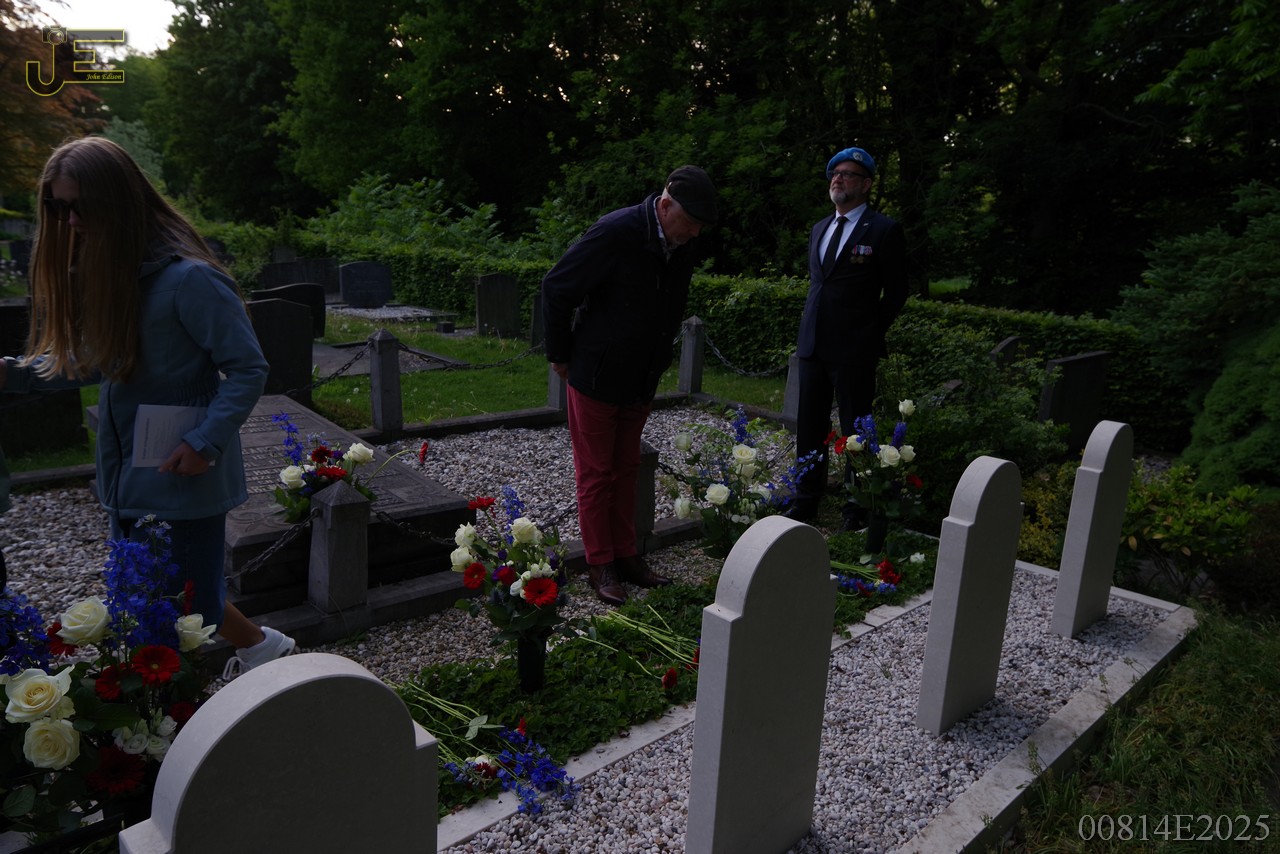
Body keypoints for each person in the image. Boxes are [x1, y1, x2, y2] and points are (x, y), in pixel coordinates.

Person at [0, 136, 294, 675]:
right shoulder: (121, 275)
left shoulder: (190, 280)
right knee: (161, 597)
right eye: (59, 209)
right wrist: (13, 373)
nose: (71, 223)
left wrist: (204, 442)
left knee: (179, 613)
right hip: (130, 478)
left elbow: (248, 368)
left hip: (183, 477)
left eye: (80, 207)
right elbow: (100, 362)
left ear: (116, 200)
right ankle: (261, 649)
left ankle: (188, 702)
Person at [541, 166, 718, 606]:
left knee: (626, 470)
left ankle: (626, 556)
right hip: (597, 373)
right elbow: (557, 287)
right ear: (665, 206)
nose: (695, 233)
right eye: (690, 222)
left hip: (640, 377)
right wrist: (560, 354)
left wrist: (657, 364)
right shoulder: (616, 232)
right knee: (596, 474)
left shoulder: (682, 242)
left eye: (700, 225)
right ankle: (600, 564)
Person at [789, 146, 908, 527]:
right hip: (813, 345)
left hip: (854, 349)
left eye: (848, 174)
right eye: (835, 173)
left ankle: (856, 507)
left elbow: (897, 291)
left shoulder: (883, 229)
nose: (838, 179)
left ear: (866, 184)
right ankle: (806, 499)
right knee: (809, 427)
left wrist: (869, 331)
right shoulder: (820, 228)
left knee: (857, 431)